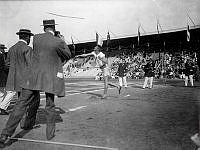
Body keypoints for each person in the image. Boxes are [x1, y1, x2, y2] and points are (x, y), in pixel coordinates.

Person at [0, 29, 40, 148]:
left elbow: (7, 65)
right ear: (27, 37)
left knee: (36, 100)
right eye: (29, 38)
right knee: (21, 106)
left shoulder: (12, 49)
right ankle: (5, 134)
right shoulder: (27, 49)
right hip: (28, 83)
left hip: (17, 83)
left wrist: (15, 73)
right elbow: (33, 67)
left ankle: (28, 123)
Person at [31, 19, 71, 140]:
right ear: (54, 28)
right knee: (50, 105)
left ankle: (26, 124)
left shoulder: (36, 38)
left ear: (44, 28)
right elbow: (68, 55)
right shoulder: (58, 41)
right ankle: (49, 134)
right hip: (50, 76)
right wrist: (62, 40)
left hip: (36, 76)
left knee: (29, 102)